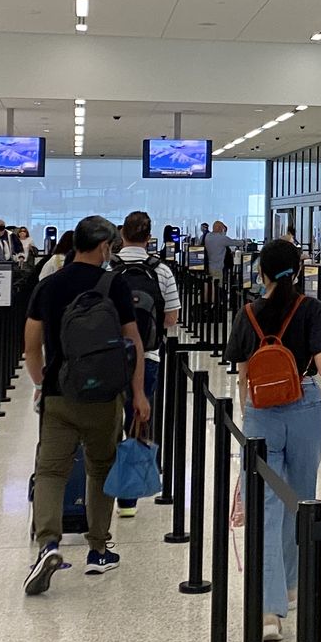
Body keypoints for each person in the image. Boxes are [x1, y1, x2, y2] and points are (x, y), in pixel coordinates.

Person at [223, 238, 321, 642]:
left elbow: (242, 374)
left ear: (261, 273)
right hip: (305, 405)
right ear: (301, 268)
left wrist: (247, 412)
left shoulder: (248, 314)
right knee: (299, 499)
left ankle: (269, 610)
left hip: (261, 409)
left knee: (267, 506)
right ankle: (290, 587)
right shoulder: (312, 309)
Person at [23, 215, 152, 595]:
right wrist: (138, 394)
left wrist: (41, 383)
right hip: (104, 396)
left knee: (50, 471)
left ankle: (49, 543)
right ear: (103, 247)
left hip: (60, 393)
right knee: (100, 469)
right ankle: (98, 549)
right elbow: (134, 347)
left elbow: (31, 348)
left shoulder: (48, 286)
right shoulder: (115, 285)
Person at [115, 211, 180, 519]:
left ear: (122, 235)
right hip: (150, 357)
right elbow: (171, 318)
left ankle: (99, 488)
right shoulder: (162, 271)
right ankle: (129, 497)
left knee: (106, 421)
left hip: (108, 357)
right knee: (140, 418)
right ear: (148, 236)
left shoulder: (108, 268)